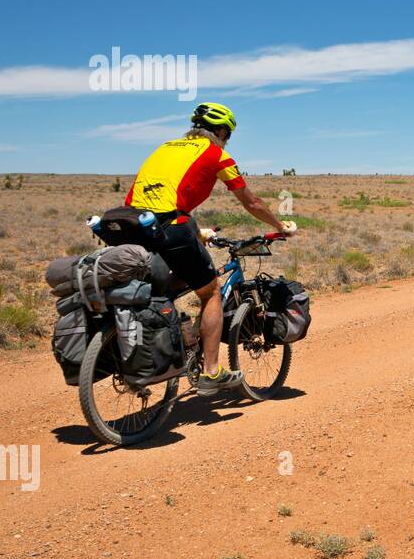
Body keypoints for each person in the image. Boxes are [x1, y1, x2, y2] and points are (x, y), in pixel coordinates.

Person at [125, 102, 295, 395]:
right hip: (170, 225)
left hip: (132, 224)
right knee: (211, 291)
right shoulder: (217, 155)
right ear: (219, 131)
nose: (226, 140)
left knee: (163, 286)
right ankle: (211, 372)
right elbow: (251, 201)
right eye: (227, 135)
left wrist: (196, 229)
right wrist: (280, 226)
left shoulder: (165, 147)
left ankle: (174, 337)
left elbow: (162, 193)